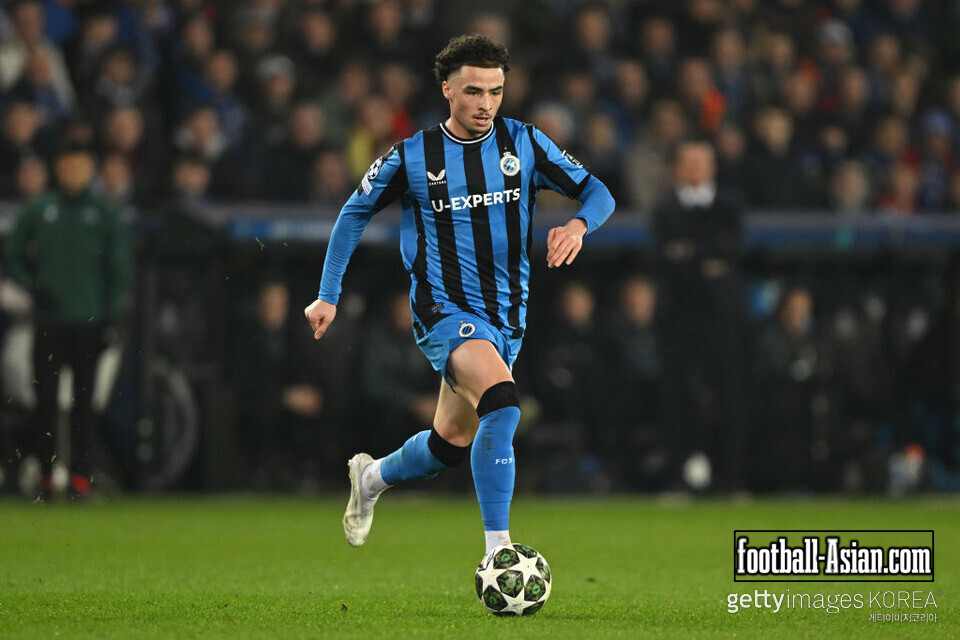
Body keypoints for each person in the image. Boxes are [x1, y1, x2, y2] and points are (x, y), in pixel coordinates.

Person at [304, 34, 615, 553]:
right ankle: (500, 552)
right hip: (442, 309)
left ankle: (371, 478)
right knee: (504, 402)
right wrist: (327, 294)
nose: (486, 104)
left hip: (506, 316)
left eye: (495, 91)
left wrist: (580, 225)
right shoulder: (413, 155)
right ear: (447, 89)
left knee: (451, 442)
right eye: (474, 91)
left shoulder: (526, 143)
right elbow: (353, 212)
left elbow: (598, 192)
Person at [4, 140, 132, 500]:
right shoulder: (41, 208)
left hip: (88, 323)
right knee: (44, 401)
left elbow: (118, 270)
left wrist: (110, 318)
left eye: (79, 166)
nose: (73, 174)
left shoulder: (104, 213)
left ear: (89, 170)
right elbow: (11, 252)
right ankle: (46, 475)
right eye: (67, 166)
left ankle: (81, 477)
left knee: (84, 403)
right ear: (57, 170)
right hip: (48, 320)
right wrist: (30, 285)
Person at [652, 140, 745, 491]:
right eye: (688, 162)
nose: (695, 169)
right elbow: (664, 260)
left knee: (729, 398)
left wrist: (687, 254)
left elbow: (731, 251)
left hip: (723, 321)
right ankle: (679, 478)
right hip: (677, 320)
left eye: (701, 162)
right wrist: (706, 260)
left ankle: (731, 480)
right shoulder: (664, 210)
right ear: (677, 168)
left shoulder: (730, 205)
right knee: (676, 399)